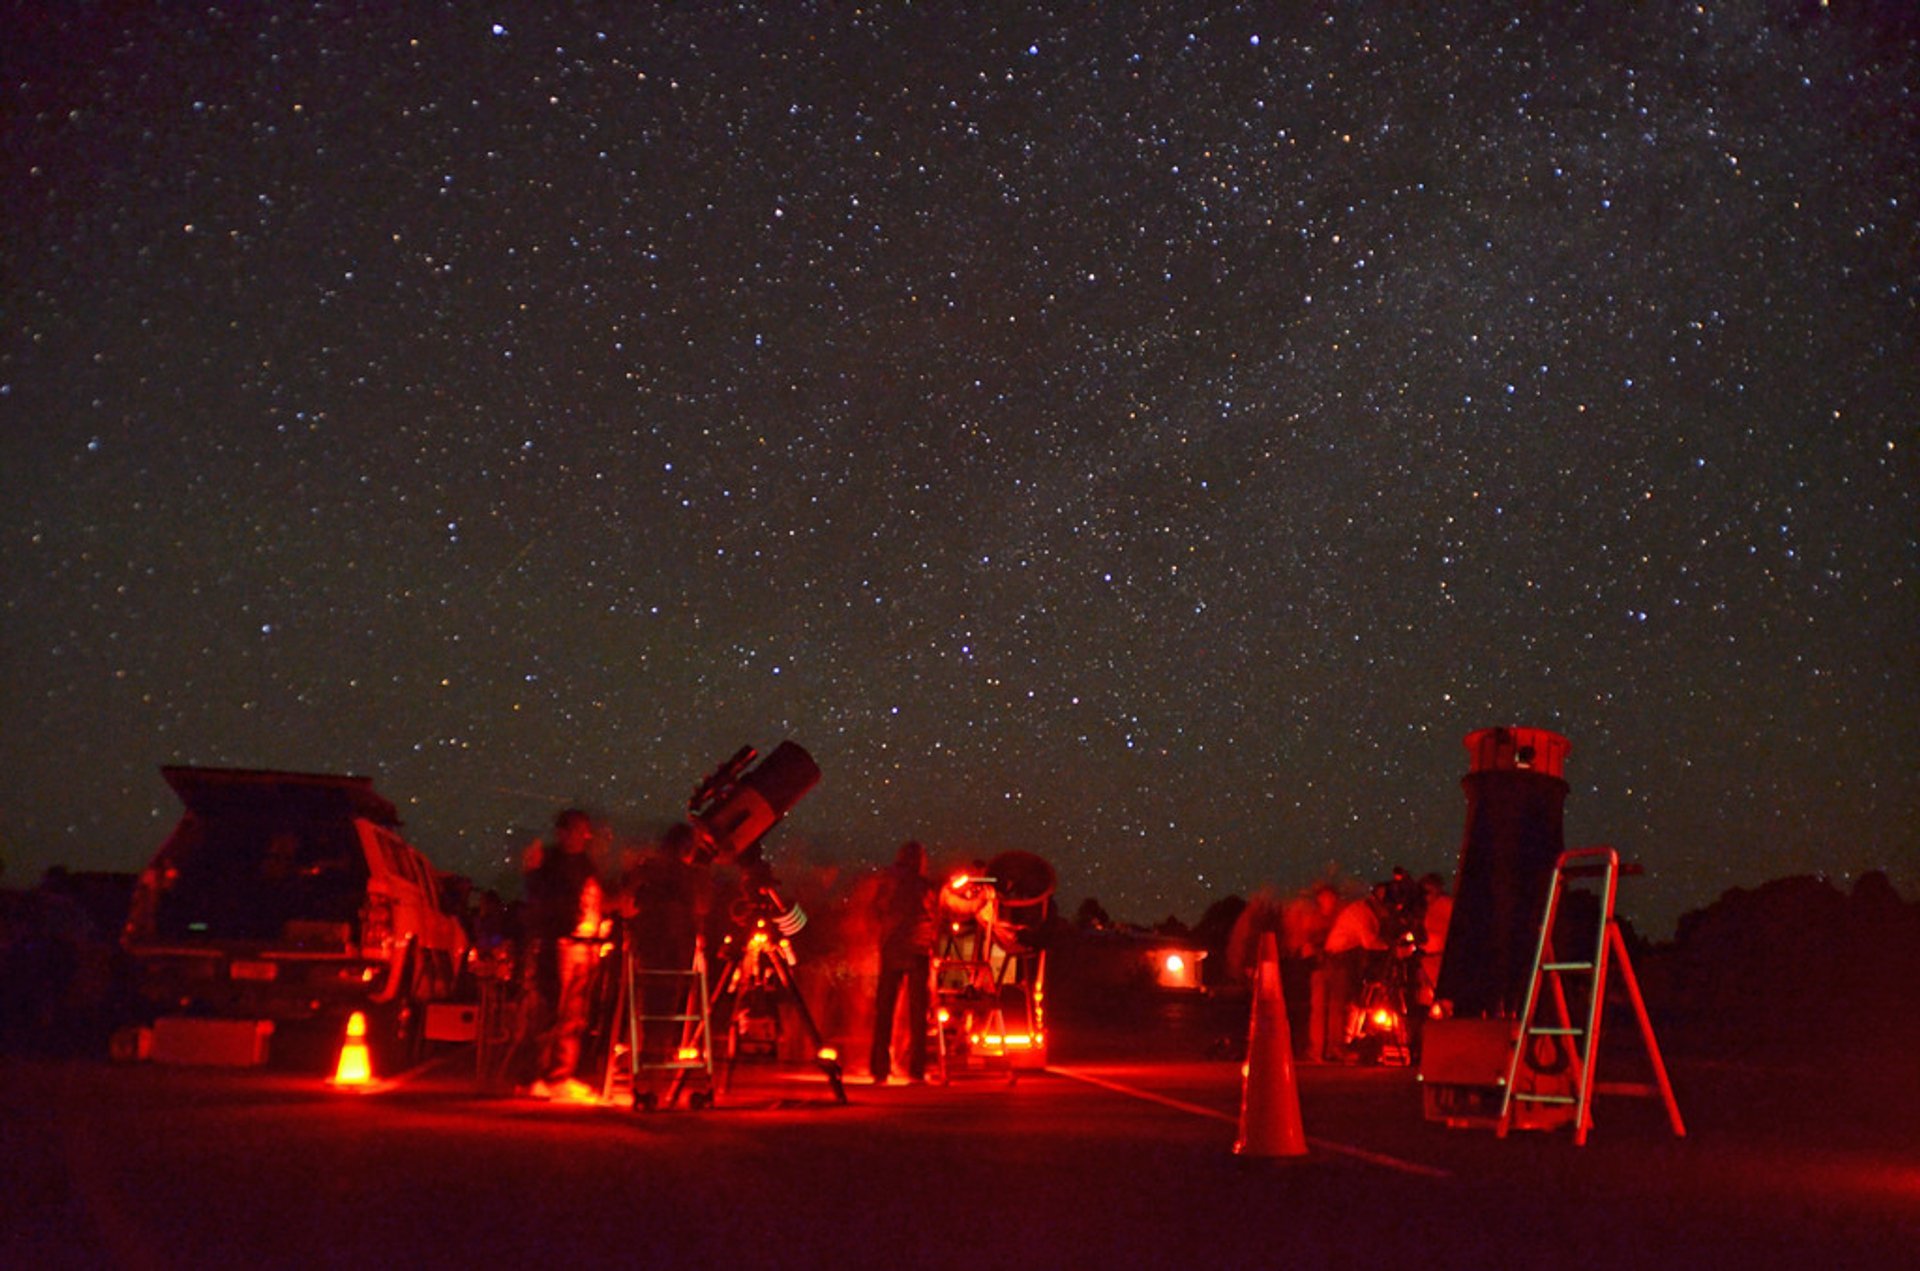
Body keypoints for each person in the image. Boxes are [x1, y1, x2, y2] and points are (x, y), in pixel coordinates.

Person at [521, 808, 604, 1100]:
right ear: (563, 832)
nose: (586, 835)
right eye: (580, 829)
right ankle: (540, 1075)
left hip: (585, 944)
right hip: (560, 944)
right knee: (553, 1010)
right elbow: (538, 900)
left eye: (586, 830)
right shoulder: (551, 863)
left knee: (575, 1014)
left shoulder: (585, 863)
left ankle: (561, 1074)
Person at [868, 840, 937, 1084]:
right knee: (918, 1014)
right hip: (917, 949)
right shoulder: (924, 885)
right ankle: (916, 1071)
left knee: (884, 1011)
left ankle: (879, 1070)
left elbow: (876, 909)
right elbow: (945, 910)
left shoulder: (886, 880)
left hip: (891, 948)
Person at [1321, 883, 1389, 1064]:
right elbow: (1369, 942)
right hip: (1340, 958)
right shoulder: (1361, 913)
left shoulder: (1366, 911)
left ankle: (1345, 1044)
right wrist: (1391, 947)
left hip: (1348, 957)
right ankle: (1337, 1048)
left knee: (1351, 1003)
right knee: (1340, 1004)